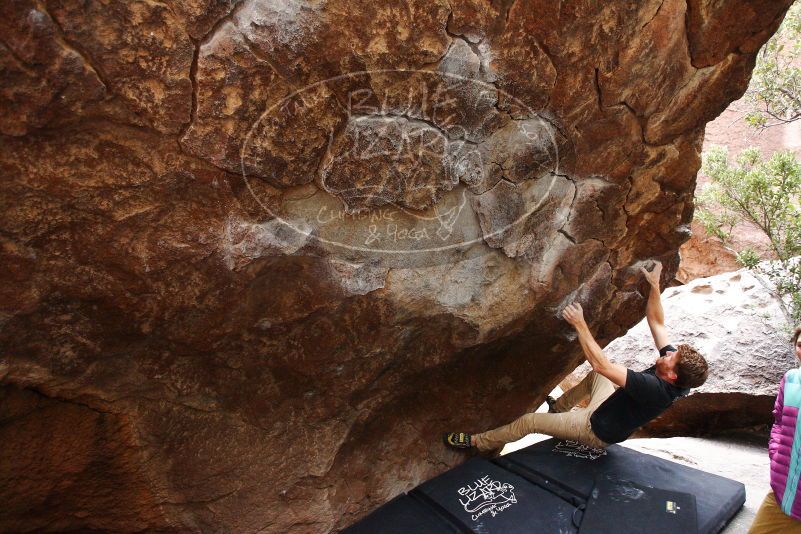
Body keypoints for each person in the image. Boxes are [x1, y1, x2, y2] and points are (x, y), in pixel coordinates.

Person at [444, 261, 709, 453]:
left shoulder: (656, 389)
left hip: (594, 429)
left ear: (672, 376)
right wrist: (654, 285)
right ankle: (558, 410)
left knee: (529, 422)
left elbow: (601, 363)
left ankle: (478, 442)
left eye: (672, 358)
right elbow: (657, 322)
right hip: (606, 411)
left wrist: (580, 324)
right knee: (596, 379)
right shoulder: (677, 375)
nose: (669, 352)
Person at [749, 326, 801, 533]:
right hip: (784, 494)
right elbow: (779, 421)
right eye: (799, 345)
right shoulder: (791, 379)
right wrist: (776, 452)